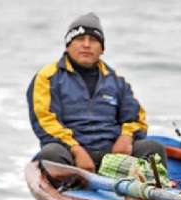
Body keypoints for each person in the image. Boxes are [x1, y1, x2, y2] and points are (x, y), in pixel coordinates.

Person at [27, 12, 166, 174]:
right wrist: (76, 150)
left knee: (153, 148)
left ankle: (149, 194)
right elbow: (44, 122)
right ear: (68, 45)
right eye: (80, 39)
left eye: (93, 40)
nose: (86, 45)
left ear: (102, 48)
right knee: (51, 154)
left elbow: (136, 117)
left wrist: (126, 137)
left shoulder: (116, 81)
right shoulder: (47, 77)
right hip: (70, 153)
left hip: (113, 153)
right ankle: (73, 189)